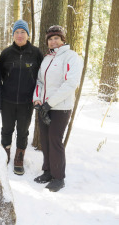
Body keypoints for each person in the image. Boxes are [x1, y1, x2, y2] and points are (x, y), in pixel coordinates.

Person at [33, 25, 83, 192]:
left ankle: (59, 177)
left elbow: (70, 84)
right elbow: (40, 82)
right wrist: (38, 101)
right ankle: (47, 171)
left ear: (63, 40)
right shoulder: (47, 58)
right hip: (44, 106)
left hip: (60, 107)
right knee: (45, 140)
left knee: (55, 139)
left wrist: (49, 104)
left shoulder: (70, 57)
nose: (53, 41)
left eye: (57, 38)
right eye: (50, 38)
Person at [0, 20, 43, 174]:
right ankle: (5, 153)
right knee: (7, 129)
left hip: (26, 101)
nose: (19, 35)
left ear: (28, 35)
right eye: (16, 32)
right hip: (8, 100)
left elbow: (41, 77)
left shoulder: (36, 53)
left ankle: (19, 157)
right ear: (13, 35)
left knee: (23, 130)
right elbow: (1, 76)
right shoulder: (6, 53)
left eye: (22, 32)